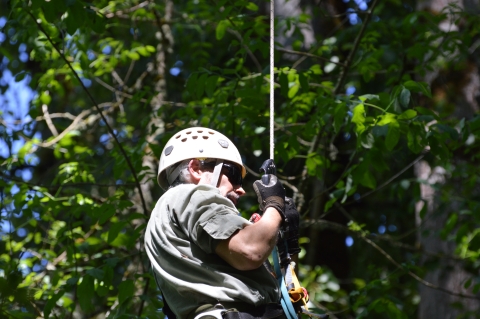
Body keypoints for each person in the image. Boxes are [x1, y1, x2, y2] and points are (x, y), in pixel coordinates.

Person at [145, 127, 300, 319]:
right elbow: (250, 251)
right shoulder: (191, 194)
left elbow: (275, 289)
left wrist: (285, 246)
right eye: (234, 175)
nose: (241, 190)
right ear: (195, 169)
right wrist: (274, 205)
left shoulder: (165, 214)